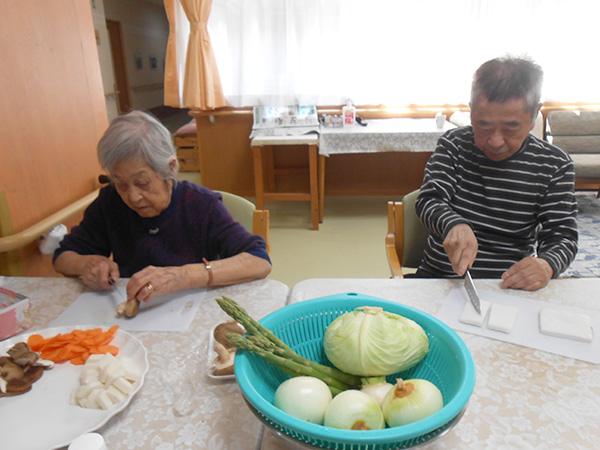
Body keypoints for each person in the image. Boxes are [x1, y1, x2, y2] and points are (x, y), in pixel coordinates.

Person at [53, 111, 272, 302]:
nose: (133, 197)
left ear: (170, 168)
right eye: (120, 184)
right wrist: (88, 265)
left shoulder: (201, 205)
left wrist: (183, 276)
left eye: (142, 183)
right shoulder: (110, 201)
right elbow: (63, 257)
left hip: (189, 310)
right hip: (133, 315)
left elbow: (259, 261)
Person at [414, 56, 578, 291]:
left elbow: (562, 235)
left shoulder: (554, 165)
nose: (495, 141)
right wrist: (453, 224)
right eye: (484, 125)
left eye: (511, 127)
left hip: (510, 286)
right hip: (439, 279)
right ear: (471, 113)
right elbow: (429, 199)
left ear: (534, 116)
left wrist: (547, 265)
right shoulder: (454, 145)